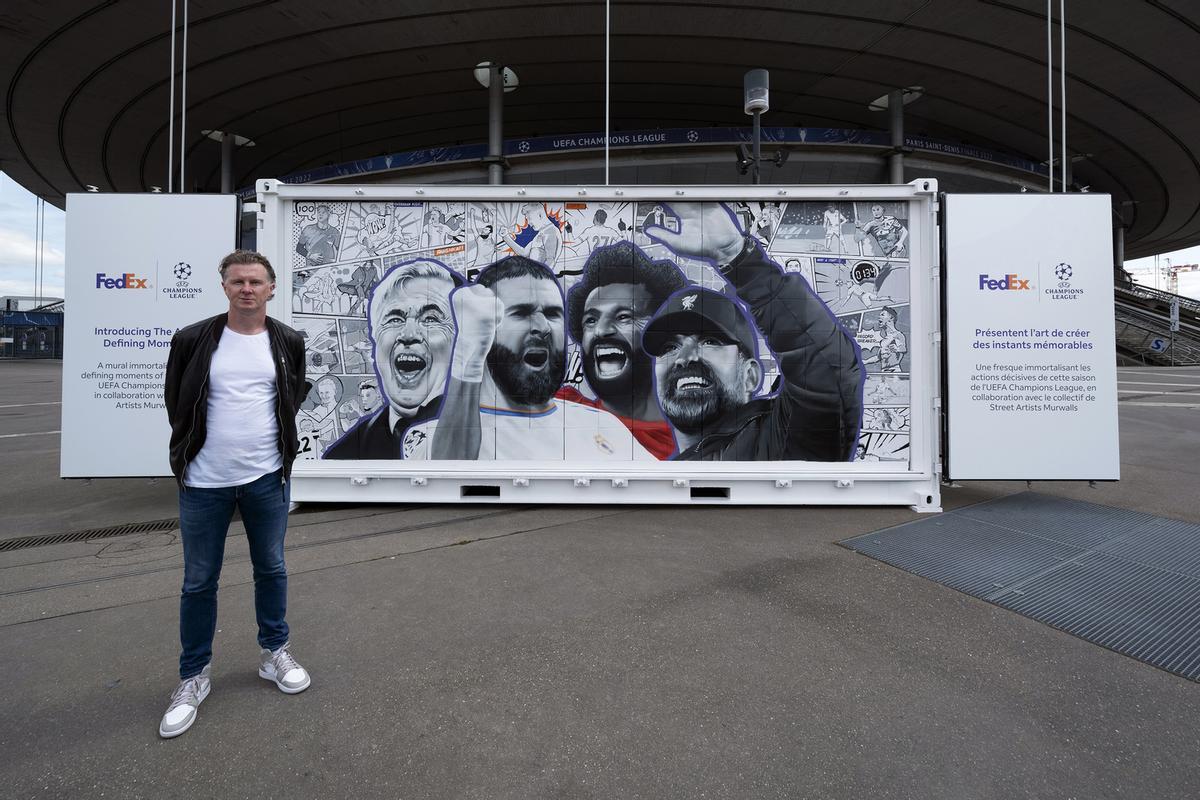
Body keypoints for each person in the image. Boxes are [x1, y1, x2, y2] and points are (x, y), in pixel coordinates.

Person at [160, 250, 311, 739]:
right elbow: (177, 402)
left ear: (272, 287)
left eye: (256, 281)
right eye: (237, 281)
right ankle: (193, 676)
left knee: (272, 567)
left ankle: (274, 653)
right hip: (204, 482)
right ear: (224, 286)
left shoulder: (287, 340)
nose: (247, 288)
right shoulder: (193, 339)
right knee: (199, 581)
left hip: (266, 478)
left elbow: (293, 393)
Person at [641, 203, 863, 461]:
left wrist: (737, 257)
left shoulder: (784, 440)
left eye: (710, 341)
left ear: (751, 376)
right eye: (670, 347)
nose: (685, 357)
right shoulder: (657, 481)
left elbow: (827, 371)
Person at [427, 256, 652, 461]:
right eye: (522, 313)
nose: (543, 327)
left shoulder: (603, 424)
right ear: (485, 328)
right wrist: (470, 351)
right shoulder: (435, 438)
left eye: (553, 314)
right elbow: (446, 478)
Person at [558, 241, 688, 459]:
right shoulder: (561, 411)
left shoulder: (699, 441)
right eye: (590, 320)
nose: (601, 330)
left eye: (624, 317)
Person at [324, 259, 461, 459]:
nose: (409, 334)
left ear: (460, 339)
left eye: (431, 319)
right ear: (376, 340)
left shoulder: (488, 440)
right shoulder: (344, 456)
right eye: (395, 319)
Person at [502, 203, 562, 267]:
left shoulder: (550, 231)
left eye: (529, 219)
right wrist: (506, 237)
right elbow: (523, 253)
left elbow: (550, 260)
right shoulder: (543, 232)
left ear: (540, 215)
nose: (529, 223)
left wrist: (539, 276)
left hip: (538, 275)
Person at [863, 305, 907, 372]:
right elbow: (878, 357)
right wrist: (866, 361)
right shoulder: (884, 340)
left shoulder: (897, 335)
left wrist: (897, 349)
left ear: (891, 318)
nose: (879, 317)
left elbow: (903, 349)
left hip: (894, 372)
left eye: (882, 315)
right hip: (884, 372)